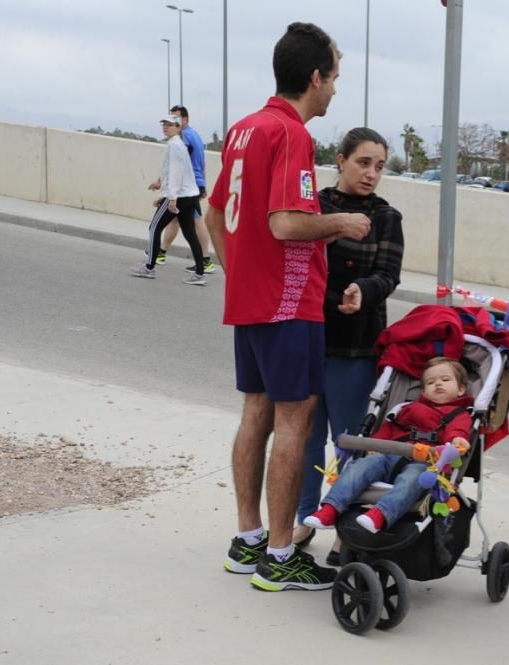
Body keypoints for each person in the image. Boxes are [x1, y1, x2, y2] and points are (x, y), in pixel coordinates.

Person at [205, 22, 372, 592]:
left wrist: (239, 277)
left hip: (252, 301)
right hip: (289, 302)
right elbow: (286, 223)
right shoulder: (291, 134)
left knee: (255, 412)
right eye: (335, 78)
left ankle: (248, 538)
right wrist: (341, 222)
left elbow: (212, 212)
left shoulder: (246, 128)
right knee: (294, 421)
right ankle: (281, 554)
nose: (335, 90)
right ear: (314, 77)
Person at [291, 127, 405, 552]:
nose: (371, 173)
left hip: (357, 344)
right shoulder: (313, 208)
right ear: (340, 161)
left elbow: (388, 274)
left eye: (379, 166)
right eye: (363, 163)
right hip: (307, 336)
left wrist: (364, 289)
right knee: (304, 437)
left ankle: (344, 524)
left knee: (350, 442)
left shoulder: (387, 217)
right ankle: (304, 517)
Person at [303, 357, 472, 534]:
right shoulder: (408, 408)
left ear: (461, 389)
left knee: (412, 479)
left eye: (445, 380)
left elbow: (457, 431)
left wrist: (457, 441)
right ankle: (330, 509)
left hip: (425, 463)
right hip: (388, 455)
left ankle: (380, 515)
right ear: (423, 391)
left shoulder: (459, 415)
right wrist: (374, 444)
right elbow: (388, 429)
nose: (438, 384)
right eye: (431, 382)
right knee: (359, 466)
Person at [130, 114, 206, 285]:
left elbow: (175, 174)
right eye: (164, 124)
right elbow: (172, 173)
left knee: (154, 227)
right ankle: (200, 274)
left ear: (179, 128)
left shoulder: (175, 146)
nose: (166, 127)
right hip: (189, 195)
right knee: (190, 234)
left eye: (170, 124)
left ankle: (149, 267)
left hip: (179, 196)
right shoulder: (177, 145)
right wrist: (164, 194)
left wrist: (169, 198)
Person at [149, 105, 216, 273]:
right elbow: (199, 163)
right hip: (193, 185)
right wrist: (202, 184)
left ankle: (205, 260)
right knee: (178, 221)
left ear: (184, 121)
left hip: (184, 188)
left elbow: (177, 167)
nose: (168, 125)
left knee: (195, 223)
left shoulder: (182, 139)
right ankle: (162, 252)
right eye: (168, 120)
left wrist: (165, 190)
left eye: (175, 120)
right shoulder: (195, 136)